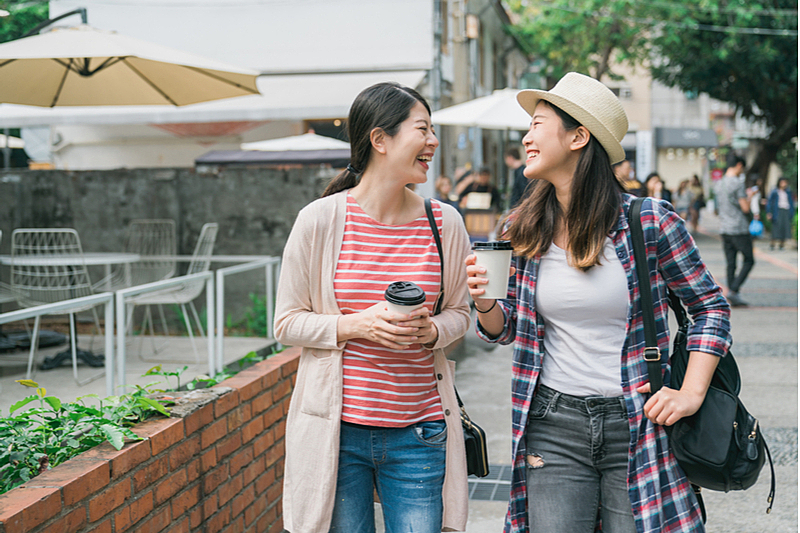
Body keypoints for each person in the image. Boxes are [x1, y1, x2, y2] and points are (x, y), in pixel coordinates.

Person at [465, 72, 731, 533]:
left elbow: (710, 307)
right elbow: (505, 328)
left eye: (538, 124)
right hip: (552, 421)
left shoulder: (648, 223)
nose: (526, 137)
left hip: (638, 420)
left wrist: (691, 392)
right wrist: (484, 303)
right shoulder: (520, 228)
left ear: (578, 136)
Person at [274, 82, 472, 533]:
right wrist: (357, 325)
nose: (433, 142)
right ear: (379, 140)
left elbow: (461, 312)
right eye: (422, 129)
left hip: (420, 432)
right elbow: (286, 322)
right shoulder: (319, 220)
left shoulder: (445, 223)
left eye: (433, 130)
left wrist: (433, 332)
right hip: (337, 433)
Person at [714, 155, 755, 307]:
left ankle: (732, 294)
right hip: (739, 228)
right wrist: (750, 197)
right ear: (739, 165)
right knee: (749, 260)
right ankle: (734, 290)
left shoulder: (718, 183)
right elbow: (745, 207)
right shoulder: (738, 183)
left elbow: (717, 210)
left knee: (731, 263)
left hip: (724, 228)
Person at [767, 177, 795, 250]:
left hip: (786, 210)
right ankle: (772, 244)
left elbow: (791, 202)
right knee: (776, 228)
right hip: (777, 211)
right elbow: (769, 202)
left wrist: (792, 212)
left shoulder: (788, 191)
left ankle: (781, 245)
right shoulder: (775, 191)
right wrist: (769, 212)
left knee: (784, 228)